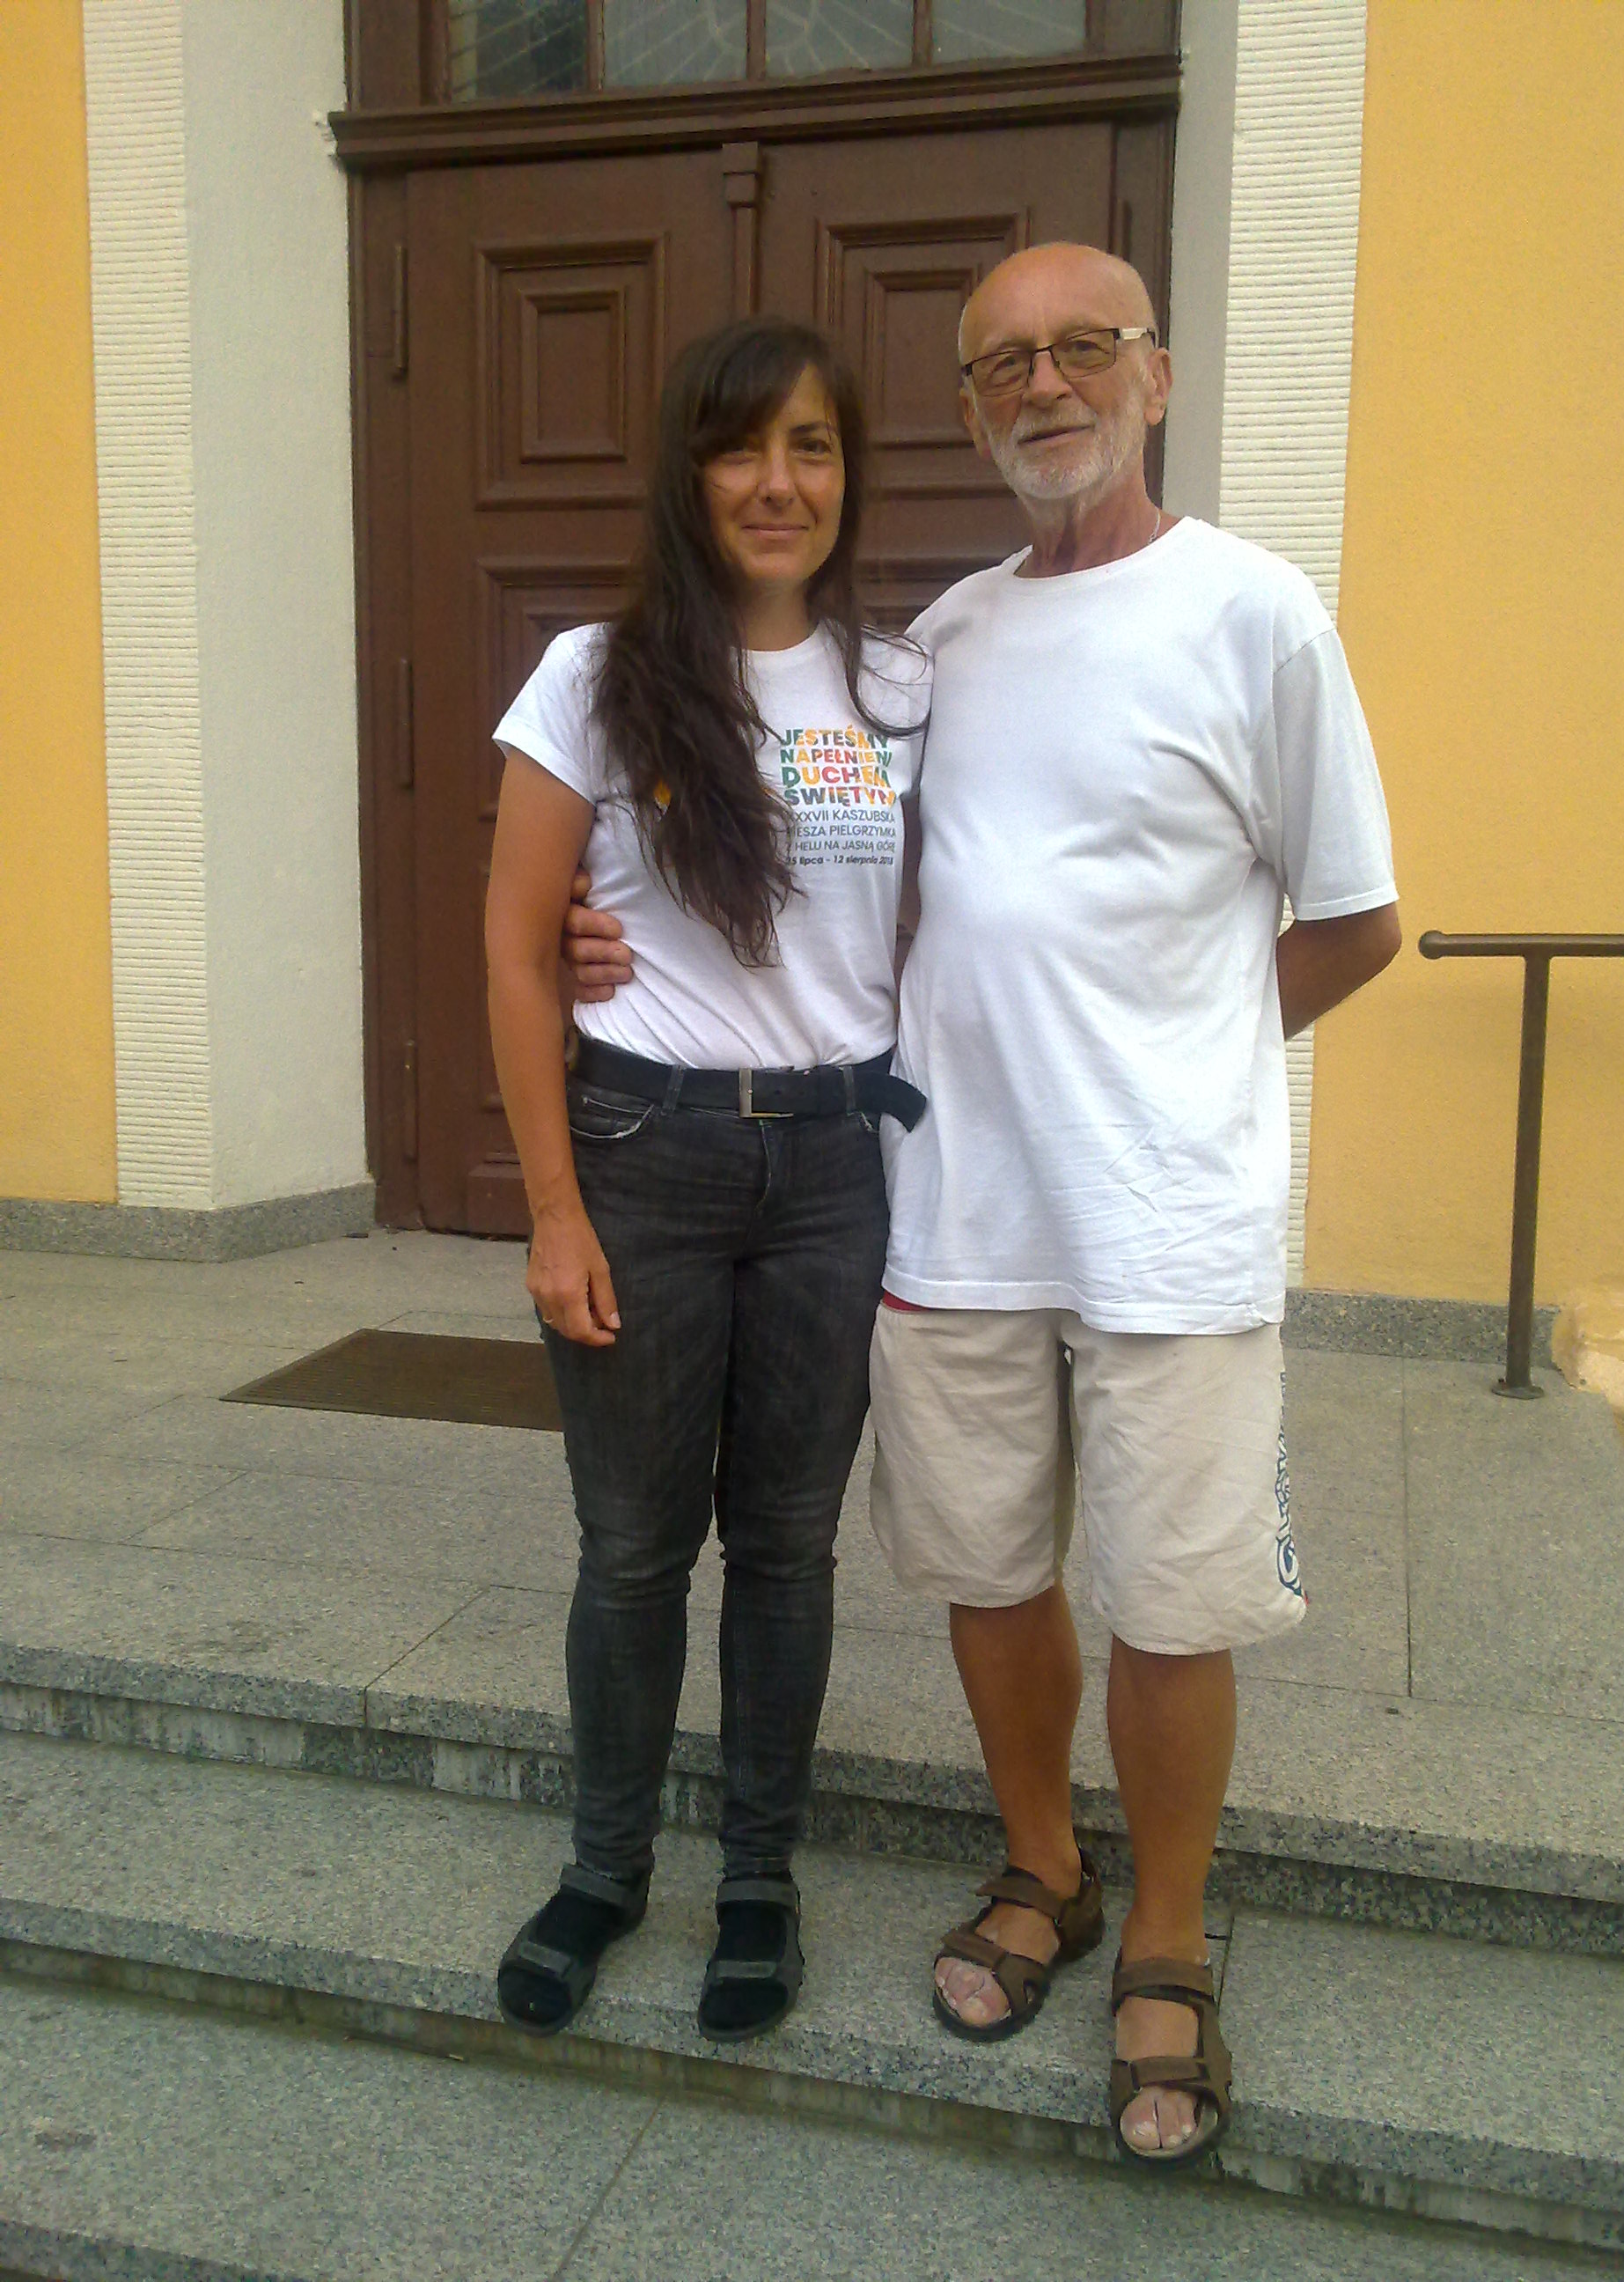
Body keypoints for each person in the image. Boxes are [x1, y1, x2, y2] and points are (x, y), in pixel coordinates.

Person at [565, 244, 1400, 2161]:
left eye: (1084, 347)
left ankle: (1169, 1935)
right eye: (1004, 362)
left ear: (1156, 376)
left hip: (1167, 1218)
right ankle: (1047, 1868)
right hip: (948, 1208)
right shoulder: (932, 653)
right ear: (965, 407)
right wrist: (609, 937)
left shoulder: (1257, 614)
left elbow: (1356, 919)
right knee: (989, 1572)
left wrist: (1187, 1055)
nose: (1046, 386)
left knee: (1174, 1599)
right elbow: (810, 869)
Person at [483, 315, 928, 2048]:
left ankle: (757, 1881)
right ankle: (605, 1873)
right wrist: (553, 1212)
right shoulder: (594, 677)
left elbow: (942, 920)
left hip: (832, 1169)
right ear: (687, 472)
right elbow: (518, 948)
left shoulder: (898, 690)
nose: (777, 481)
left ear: (847, 473)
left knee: (791, 1549)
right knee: (631, 1548)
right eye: (741, 446)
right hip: (643, 1160)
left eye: (812, 445)